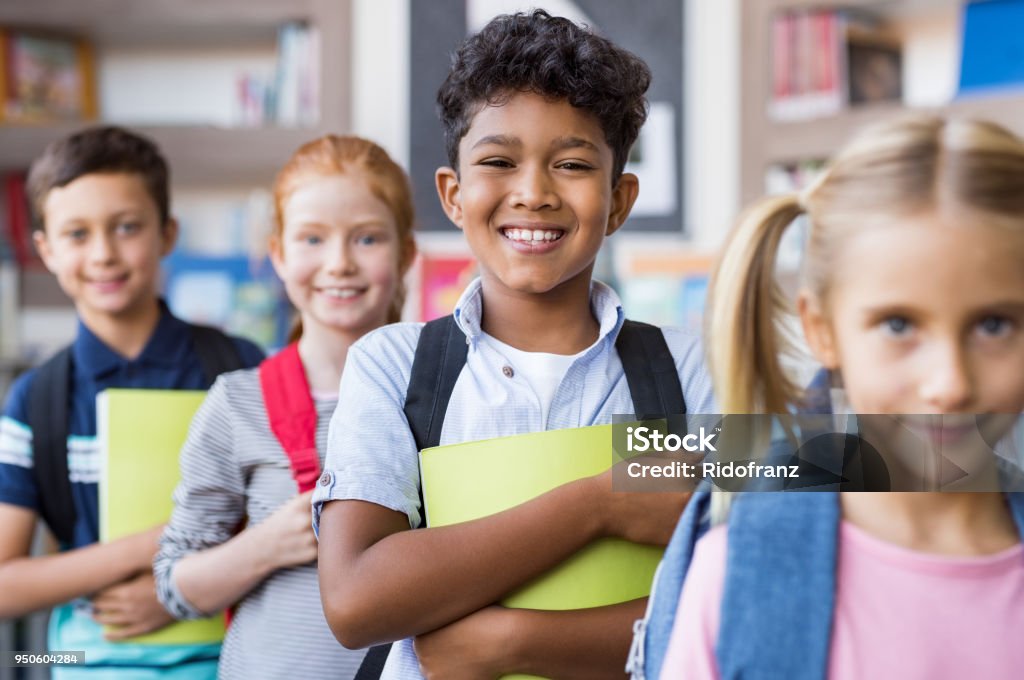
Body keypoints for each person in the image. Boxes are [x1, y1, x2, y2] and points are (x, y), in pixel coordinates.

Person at [314, 11, 714, 679]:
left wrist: (512, 643)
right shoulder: (397, 366)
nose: (533, 193)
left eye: (573, 164)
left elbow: (730, 590)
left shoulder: (685, 369)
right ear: (454, 194)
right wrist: (599, 502)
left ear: (618, 201)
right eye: (499, 162)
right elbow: (358, 600)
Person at [657, 115, 1024, 679]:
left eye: (995, 325)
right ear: (822, 329)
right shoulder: (738, 579)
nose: (950, 384)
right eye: (899, 325)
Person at [0, 126, 265, 678]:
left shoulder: (242, 368)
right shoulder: (36, 400)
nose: (103, 254)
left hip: (232, 657)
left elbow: (288, 521)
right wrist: (155, 547)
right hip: (80, 659)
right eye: (77, 234)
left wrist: (177, 590)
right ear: (46, 249)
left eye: (126, 227)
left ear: (167, 233)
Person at [153, 135, 417, 679]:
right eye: (312, 239)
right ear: (277, 255)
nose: (339, 263)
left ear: (406, 253)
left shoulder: (452, 390)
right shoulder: (236, 403)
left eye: (366, 239)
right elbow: (175, 584)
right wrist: (266, 545)